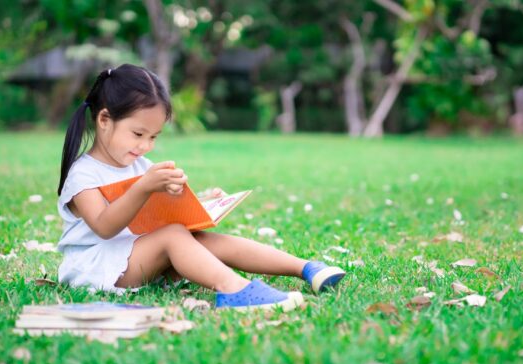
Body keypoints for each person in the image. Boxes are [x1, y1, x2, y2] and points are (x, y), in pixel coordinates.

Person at [56, 64, 346, 311]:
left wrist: (199, 203)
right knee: (173, 236)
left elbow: (157, 214)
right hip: (96, 267)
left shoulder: (139, 164)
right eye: (138, 134)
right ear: (104, 120)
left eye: (154, 137)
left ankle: (305, 268)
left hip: (135, 256)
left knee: (198, 237)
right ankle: (234, 290)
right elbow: (104, 227)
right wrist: (144, 187)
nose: (145, 146)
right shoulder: (84, 174)